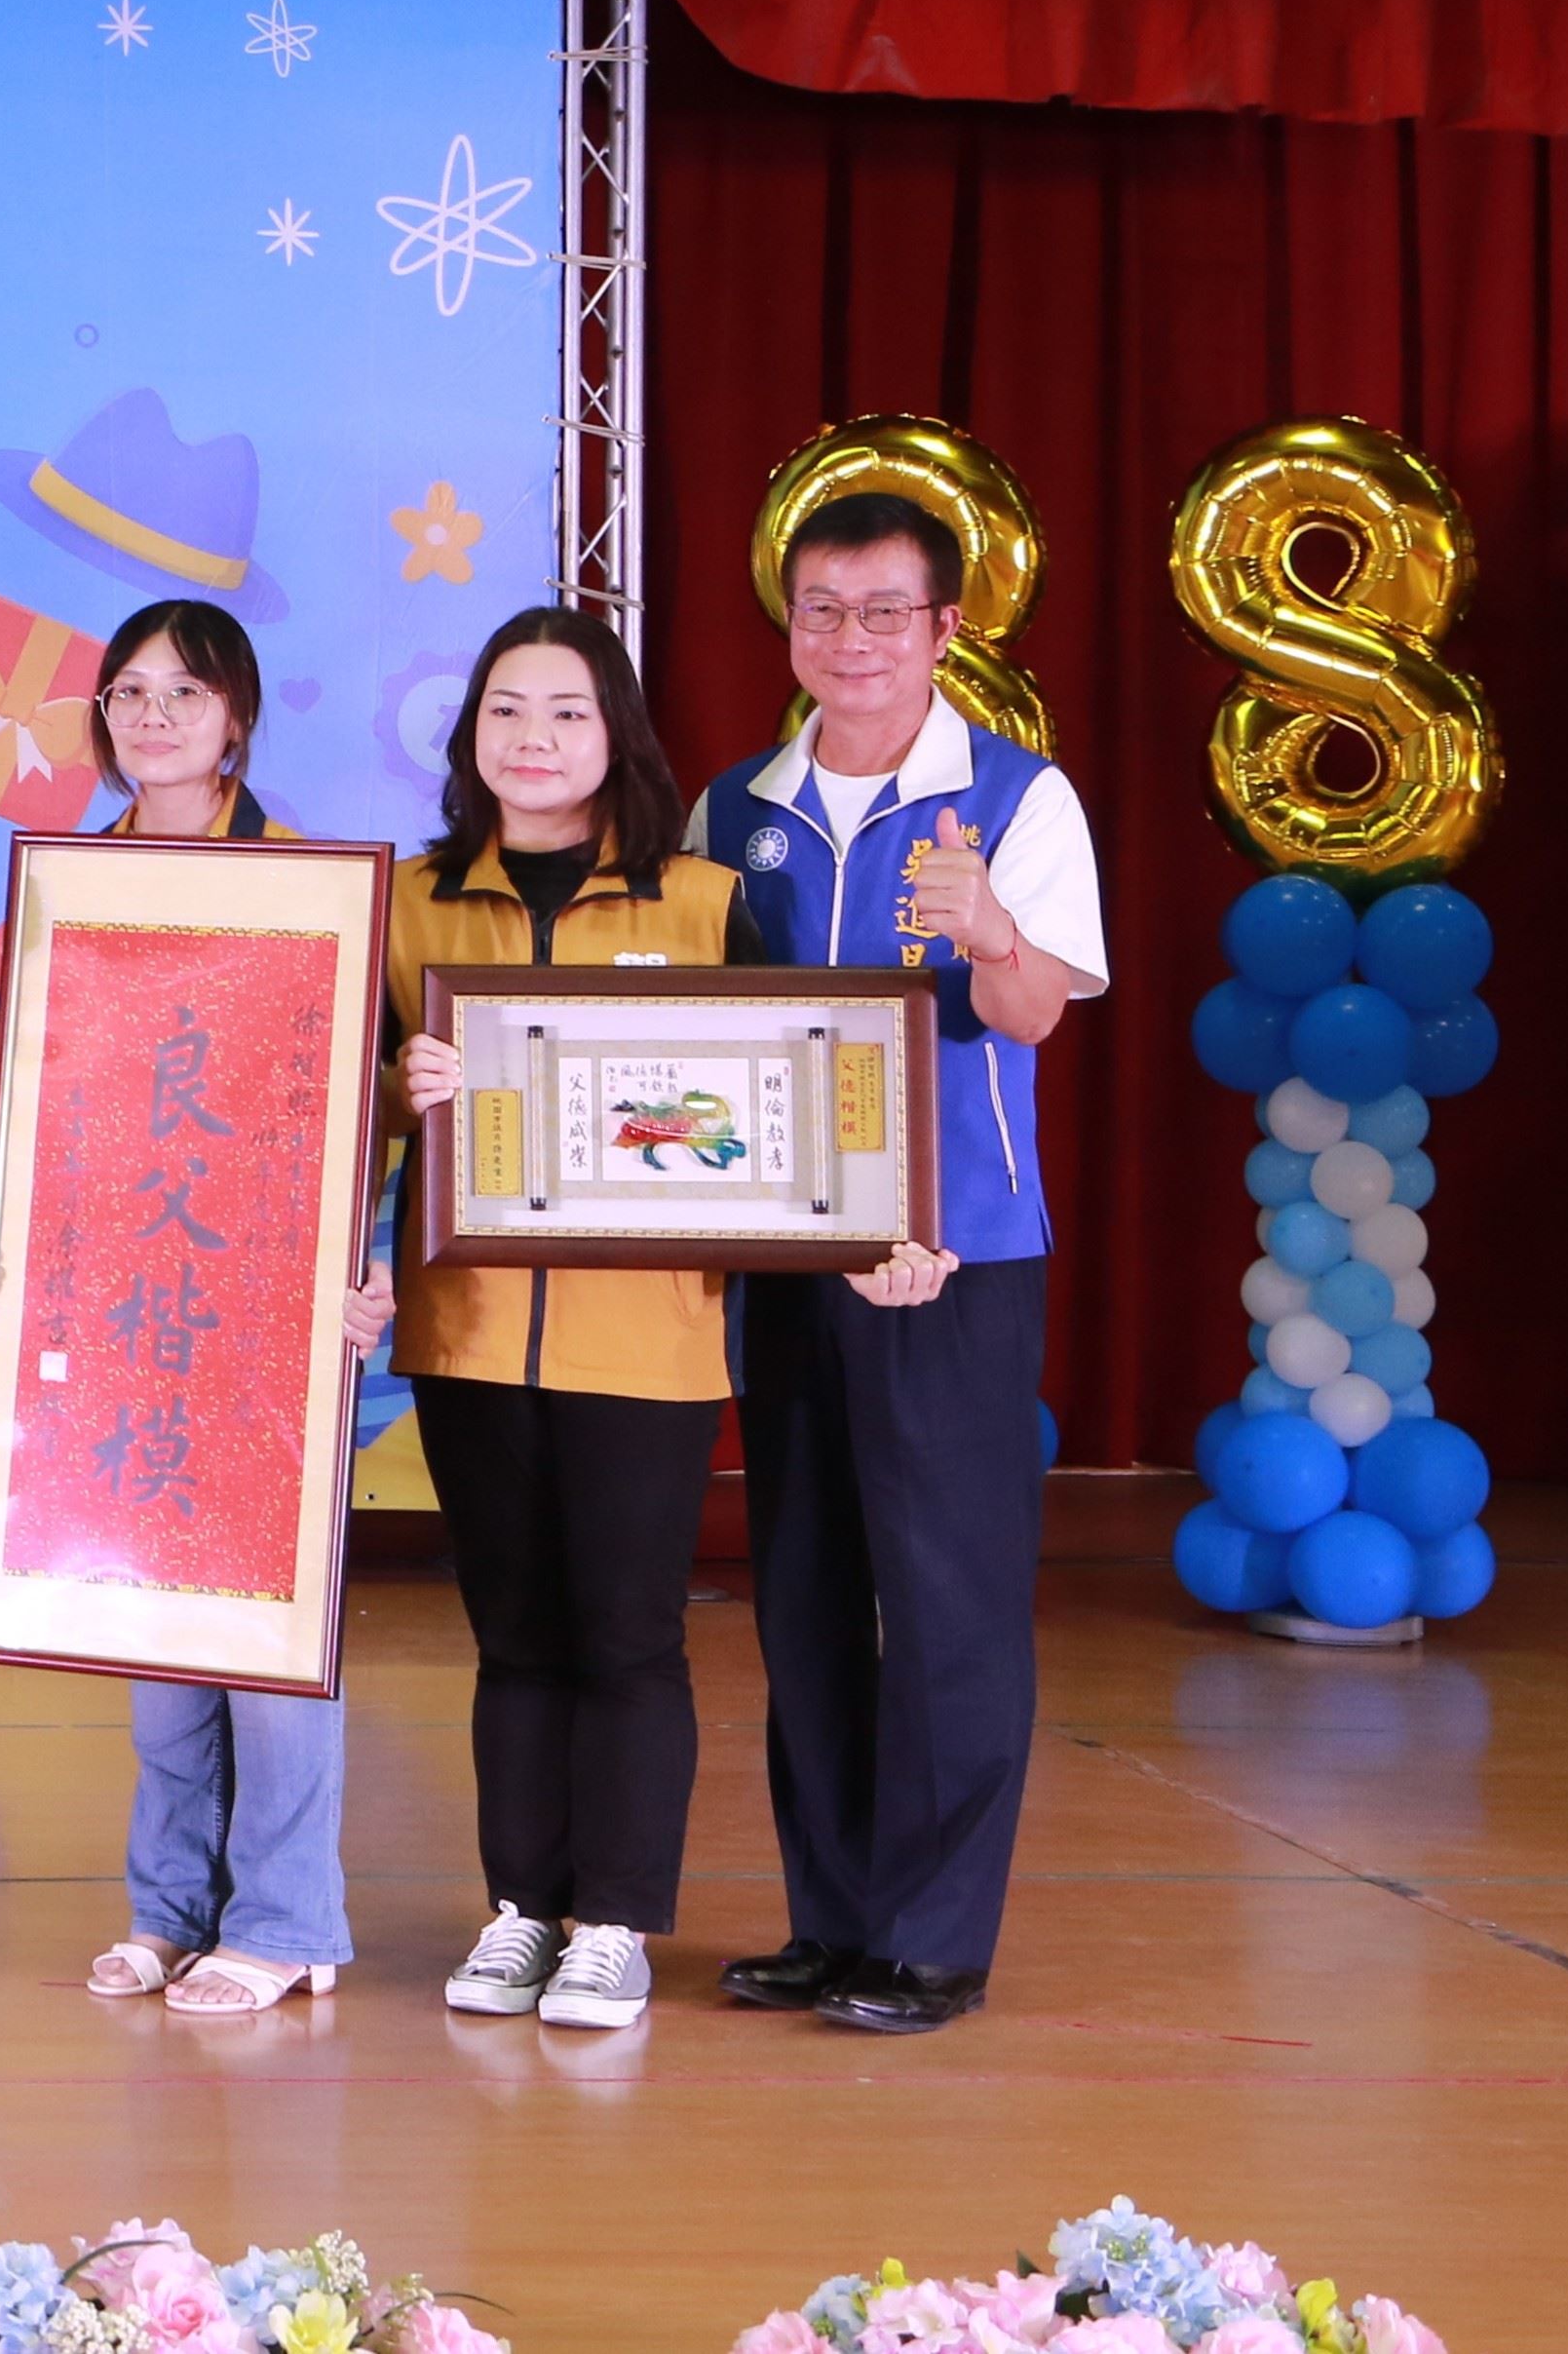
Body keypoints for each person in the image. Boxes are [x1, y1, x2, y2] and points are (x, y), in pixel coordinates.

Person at [0, 599, 393, 2020]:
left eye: (184, 693)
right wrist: (2, 1245)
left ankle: (288, 1918)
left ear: (236, 719)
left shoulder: (308, 886)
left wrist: (366, 1272)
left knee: (268, 1638)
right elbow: (33, 1100)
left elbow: (360, 1110)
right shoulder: (68, 885)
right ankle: (166, 1907)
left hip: (260, 1309)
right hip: (132, 1294)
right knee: (151, 1621)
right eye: (130, 693)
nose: (153, 717)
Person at [701, 490, 1102, 2037]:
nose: (850, 638)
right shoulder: (738, 804)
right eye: (822, 608)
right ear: (790, 623)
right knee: (804, 1587)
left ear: (944, 628)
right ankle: (834, 1919)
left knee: (948, 1598)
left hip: (957, 1255)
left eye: (883, 610)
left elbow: (1035, 1013)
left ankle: (934, 1938)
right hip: (789, 1252)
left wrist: (990, 923)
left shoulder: (1017, 797)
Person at [385, 607, 774, 2034]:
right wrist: (400, 1087)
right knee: (513, 1630)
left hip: (648, 1336)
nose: (533, 738)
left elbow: (788, 1101)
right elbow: (337, 1094)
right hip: (470, 1328)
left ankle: (613, 1921)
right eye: (505, 708)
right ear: (470, 732)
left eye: (566, 711)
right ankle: (520, 1907)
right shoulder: (410, 902)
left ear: (617, 734)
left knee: (626, 1631)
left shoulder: (706, 902)